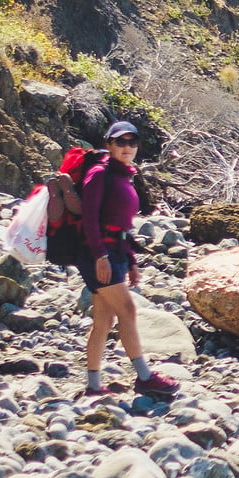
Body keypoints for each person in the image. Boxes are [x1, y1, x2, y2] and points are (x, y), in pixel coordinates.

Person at [78, 122, 181, 398]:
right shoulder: (100, 174)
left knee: (103, 320)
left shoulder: (123, 175)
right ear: (109, 145)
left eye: (132, 142)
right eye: (120, 142)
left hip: (114, 251)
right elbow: (89, 219)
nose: (127, 147)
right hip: (98, 253)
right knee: (128, 310)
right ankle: (145, 377)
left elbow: (121, 226)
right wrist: (100, 256)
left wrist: (132, 261)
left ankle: (93, 385)